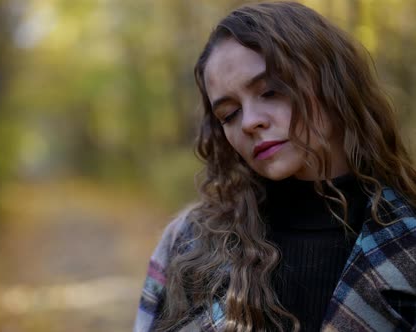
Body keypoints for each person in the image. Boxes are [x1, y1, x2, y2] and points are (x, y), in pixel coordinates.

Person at [133, 2, 416, 331]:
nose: (250, 122)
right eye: (229, 114)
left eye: (270, 91)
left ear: (333, 80)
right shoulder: (187, 243)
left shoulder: (406, 244)